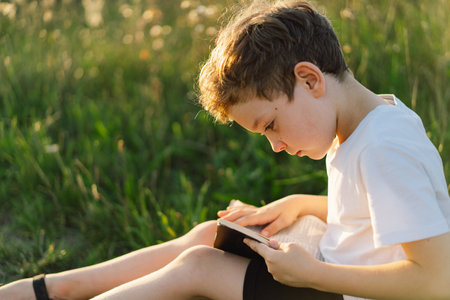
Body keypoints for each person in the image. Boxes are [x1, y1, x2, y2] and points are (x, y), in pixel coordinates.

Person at [1, 0, 449, 299]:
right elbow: (380, 213)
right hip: (336, 267)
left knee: (200, 265)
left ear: (310, 79)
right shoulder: (368, 123)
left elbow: (435, 280)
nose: (275, 145)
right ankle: (56, 289)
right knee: (206, 236)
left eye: (270, 124)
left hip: (346, 289)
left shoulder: (383, 148)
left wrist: (313, 275)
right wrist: (297, 205)